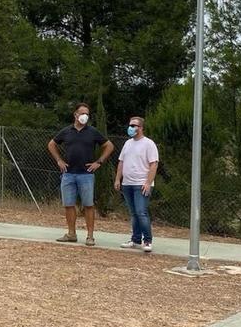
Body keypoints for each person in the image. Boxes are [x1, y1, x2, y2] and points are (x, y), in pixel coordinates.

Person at [47, 103, 115, 246]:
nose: (85, 116)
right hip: (68, 174)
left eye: (87, 114)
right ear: (75, 115)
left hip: (86, 175)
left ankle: (90, 236)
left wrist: (99, 162)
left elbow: (109, 146)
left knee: (88, 205)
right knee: (69, 205)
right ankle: (71, 234)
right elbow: (51, 144)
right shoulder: (66, 131)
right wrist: (59, 160)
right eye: (82, 113)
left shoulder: (92, 132)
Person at [114, 116, 159, 253]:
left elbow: (154, 164)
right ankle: (135, 239)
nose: (131, 128)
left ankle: (147, 240)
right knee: (134, 213)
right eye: (130, 125)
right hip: (127, 183)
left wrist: (148, 183)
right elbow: (121, 162)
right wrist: (118, 179)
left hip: (141, 184)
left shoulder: (148, 144)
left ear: (141, 128)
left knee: (141, 212)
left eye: (134, 126)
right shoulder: (128, 144)